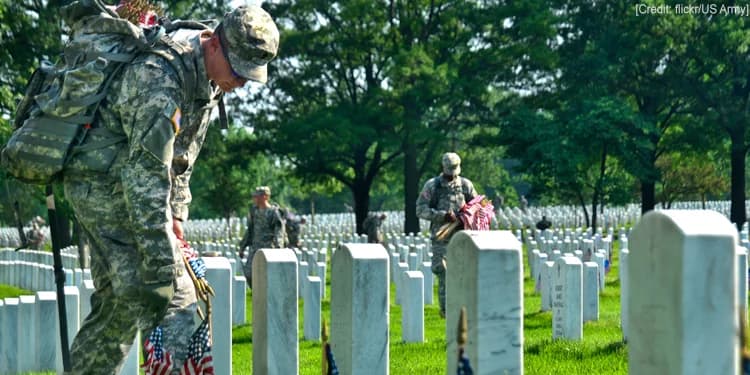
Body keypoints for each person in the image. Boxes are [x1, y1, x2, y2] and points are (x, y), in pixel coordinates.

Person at [61, 5, 279, 373]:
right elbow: (144, 176)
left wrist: (177, 215)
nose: (241, 83)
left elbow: (182, 157)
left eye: (248, 75)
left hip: (130, 181)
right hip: (100, 183)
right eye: (238, 70)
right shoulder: (158, 79)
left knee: (119, 301)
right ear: (213, 44)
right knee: (170, 295)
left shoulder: (210, 81)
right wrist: (162, 264)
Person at [416, 152, 478, 318]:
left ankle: (463, 306)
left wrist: (467, 215)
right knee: (443, 271)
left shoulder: (466, 185)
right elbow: (420, 209)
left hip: (462, 235)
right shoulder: (432, 186)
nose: (452, 174)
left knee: (463, 271)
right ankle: (446, 309)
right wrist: (442, 215)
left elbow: (478, 205)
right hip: (441, 237)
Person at [239, 186, 286, 285]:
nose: (254, 199)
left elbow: (279, 232)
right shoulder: (254, 211)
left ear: (265, 197)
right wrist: (242, 247)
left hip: (269, 248)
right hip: (255, 248)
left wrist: (279, 248)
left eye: (257, 196)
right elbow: (250, 231)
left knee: (269, 275)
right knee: (248, 273)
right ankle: (258, 293)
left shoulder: (273, 212)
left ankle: (267, 295)